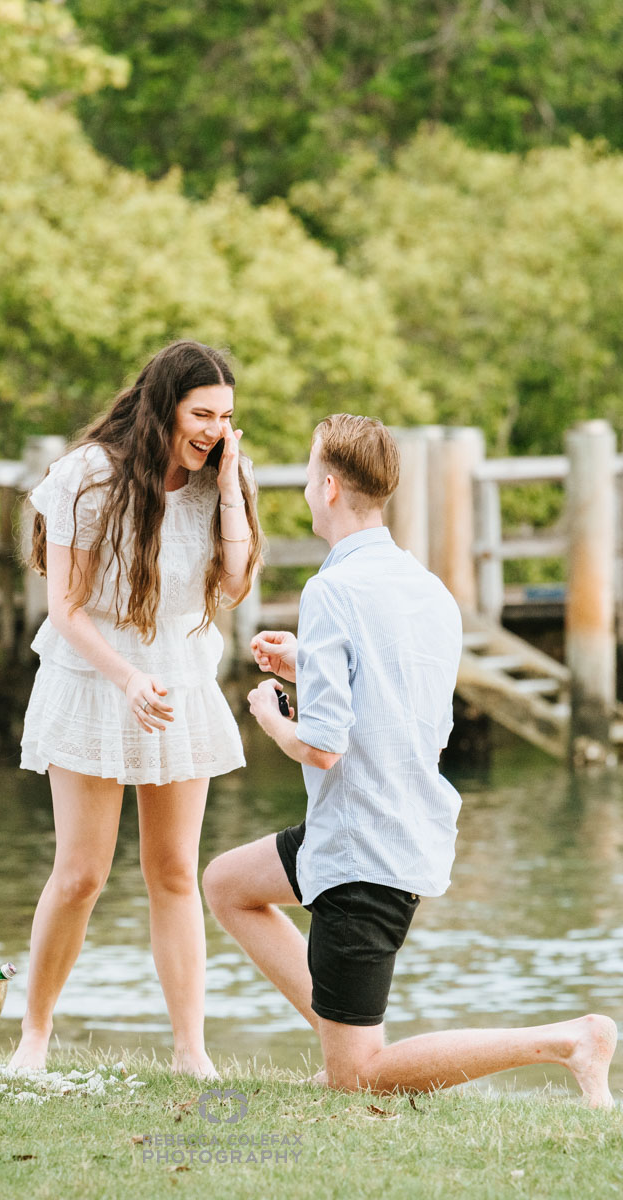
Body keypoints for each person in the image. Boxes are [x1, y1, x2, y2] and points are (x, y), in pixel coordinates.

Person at [203, 413, 617, 1106]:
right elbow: (395, 697)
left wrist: (273, 717)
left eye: (309, 476)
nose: (306, 489)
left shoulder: (331, 590)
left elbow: (324, 746)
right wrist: (309, 661)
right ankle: (346, 1032)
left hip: (363, 846)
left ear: (329, 488)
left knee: (357, 1078)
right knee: (226, 884)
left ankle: (567, 1040)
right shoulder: (430, 591)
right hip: (388, 825)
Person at [12, 340, 264, 1077]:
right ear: (164, 408)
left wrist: (227, 493)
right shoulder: (88, 477)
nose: (216, 429)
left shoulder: (221, 476)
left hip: (179, 682)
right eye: (201, 413)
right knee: (82, 874)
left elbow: (237, 581)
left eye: (226, 416)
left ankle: (192, 1052)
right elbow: (65, 607)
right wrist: (127, 679)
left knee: (175, 873)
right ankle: (34, 1035)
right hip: (94, 680)